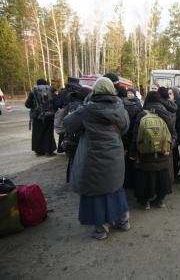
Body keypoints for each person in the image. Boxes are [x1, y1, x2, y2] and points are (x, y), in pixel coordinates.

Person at [63, 77, 130, 240]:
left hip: (93, 157)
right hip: (115, 154)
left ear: (96, 90)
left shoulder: (87, 109)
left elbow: (68, 124)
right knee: (114, 187)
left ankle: (101, 229)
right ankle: (122, 221)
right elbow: (126, 127)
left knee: (95, 191)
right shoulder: (120, 106)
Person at [129, 90, 174, 209]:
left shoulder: (142, 114)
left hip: (144, 154)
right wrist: (170, 147)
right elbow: (173, 133)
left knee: (145, 177)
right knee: (161, 176)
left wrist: (132, 152)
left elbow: (135, 135)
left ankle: (145, 201)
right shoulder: (165, 113)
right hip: (162, 153)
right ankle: (159, 200)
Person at [25, 79, 57, 156]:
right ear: (46, 83)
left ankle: (39, 151)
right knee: (48, 133)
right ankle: (49, 151)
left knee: (37, 133)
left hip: (37, 116)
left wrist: (35, 106)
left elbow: (27, 104)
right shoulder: (51, 90)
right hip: (49, 115)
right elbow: (55, 101)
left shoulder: (34, 91)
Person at [121, 88, 143, 189]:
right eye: (128, 93)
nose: (129, 95)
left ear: (134, 94)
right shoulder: (125, 103)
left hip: (129, 133)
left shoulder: (137, 104)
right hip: (130, 133)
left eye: (131, 93)